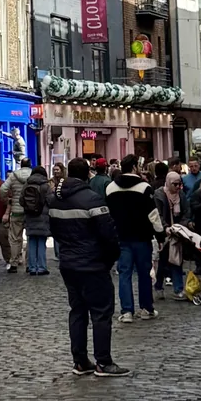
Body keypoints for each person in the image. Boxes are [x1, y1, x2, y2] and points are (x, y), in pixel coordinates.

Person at [50, 159, 126, 377]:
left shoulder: (56, 200)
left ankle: (80, 360)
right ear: (87, 175)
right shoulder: (92, 199)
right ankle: (103, 362)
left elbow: (54, 232)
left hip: (69, 262)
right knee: (101, 313)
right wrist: (110, 258)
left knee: (77, 311)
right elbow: (108, 234)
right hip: (93, 263)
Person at [106, 154, 157, 322]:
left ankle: (126, 311)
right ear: (135, 167)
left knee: (124, 274)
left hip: (121, 236)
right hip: (142, 236)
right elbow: (153, 215)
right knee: (144, 273)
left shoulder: (111, 187)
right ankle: (146, 309)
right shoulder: (144, 187)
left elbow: (108, 214)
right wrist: (161, 234)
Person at [152, 169, 189, 297]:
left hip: (178, 232)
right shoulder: (159, 194)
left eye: (180, 184)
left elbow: (186, 212)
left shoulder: (181, 195)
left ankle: (178, 288)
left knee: (176, 259)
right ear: (168, 183)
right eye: (175, 184)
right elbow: (158, 214)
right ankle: (158, 286)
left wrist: (180, 226)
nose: (178, 187)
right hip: (163, 234)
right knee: (163, 261)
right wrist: (165, 227)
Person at [21, 164, 53, 274]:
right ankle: (41, 267)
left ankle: (32, 267)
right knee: (41, 243)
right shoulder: (46, 186)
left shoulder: (26, 184)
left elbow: (21, 201)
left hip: (30, 217)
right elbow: (51, 201)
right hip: (42, 218)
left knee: (32, 242)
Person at [2, 158, 33, 271]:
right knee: (30, 238)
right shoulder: (33, 175)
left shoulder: (13, 176)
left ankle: (14, 263)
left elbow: (3, 189)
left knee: (15, 238)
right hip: (30, 211)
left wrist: (6, 200)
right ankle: (30, 264)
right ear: (30, 165)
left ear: (20, 165)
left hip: (16, 211)